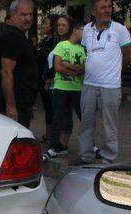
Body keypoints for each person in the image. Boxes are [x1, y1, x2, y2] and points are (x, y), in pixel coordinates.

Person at [71, 0, 131, 166]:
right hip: (89, 84)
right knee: (86, 123)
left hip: (110, 87)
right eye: (103, 7)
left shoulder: (120, 29)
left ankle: (108, 159)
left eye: (109, 7)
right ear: (93, 11)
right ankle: (85, 156)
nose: (107, 10)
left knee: (109, 124)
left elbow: (129, 55)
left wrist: (114, 71)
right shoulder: (86, 31)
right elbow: (87, 53)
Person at [0, 0, 38, 128]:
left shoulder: (19, 36)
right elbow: (6, 72)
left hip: (22, 101)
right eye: (24, 15)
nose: (28, 18)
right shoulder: (11, 37)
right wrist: (11, 106)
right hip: (14, 104)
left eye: (30, 15)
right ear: (13, 15)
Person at [44, 21, 86, 160]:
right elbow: (57, 67)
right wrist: (75, 70)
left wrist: (68, 64)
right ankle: (54, 146)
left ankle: (89, 145)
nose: (85, 34)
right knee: (57, 117)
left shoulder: (82, 49)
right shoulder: (61, 45)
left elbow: (84, 69)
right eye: (83, 30)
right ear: (75, 30)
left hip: (77, 88)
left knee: (83, 117)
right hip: (60, 87)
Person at [35, 15, 56, 143]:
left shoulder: (54, 42)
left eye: (46, 23)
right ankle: (48, 134)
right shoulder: (44, 41)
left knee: (51, 108)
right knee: (47, 107)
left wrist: (49, 77)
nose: (44, 26)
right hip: (40, 78)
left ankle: (52, 135)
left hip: (49, 79)